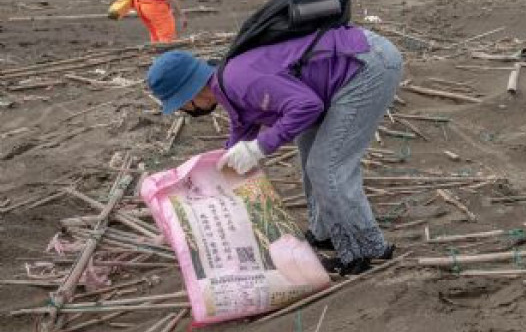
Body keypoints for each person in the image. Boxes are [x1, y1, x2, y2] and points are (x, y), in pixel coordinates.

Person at [146, 24, 403, 275]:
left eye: (179, 105)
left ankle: (367, 249)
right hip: (347, 66)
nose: (183, 110)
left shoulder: (237, 80)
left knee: (326, 166)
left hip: (366, 66)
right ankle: (325, 233)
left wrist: (261, 146)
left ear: (189, 95)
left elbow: (308, 106)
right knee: (309, 151)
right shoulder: (226, 83)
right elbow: (236, 142)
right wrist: (188, 217)